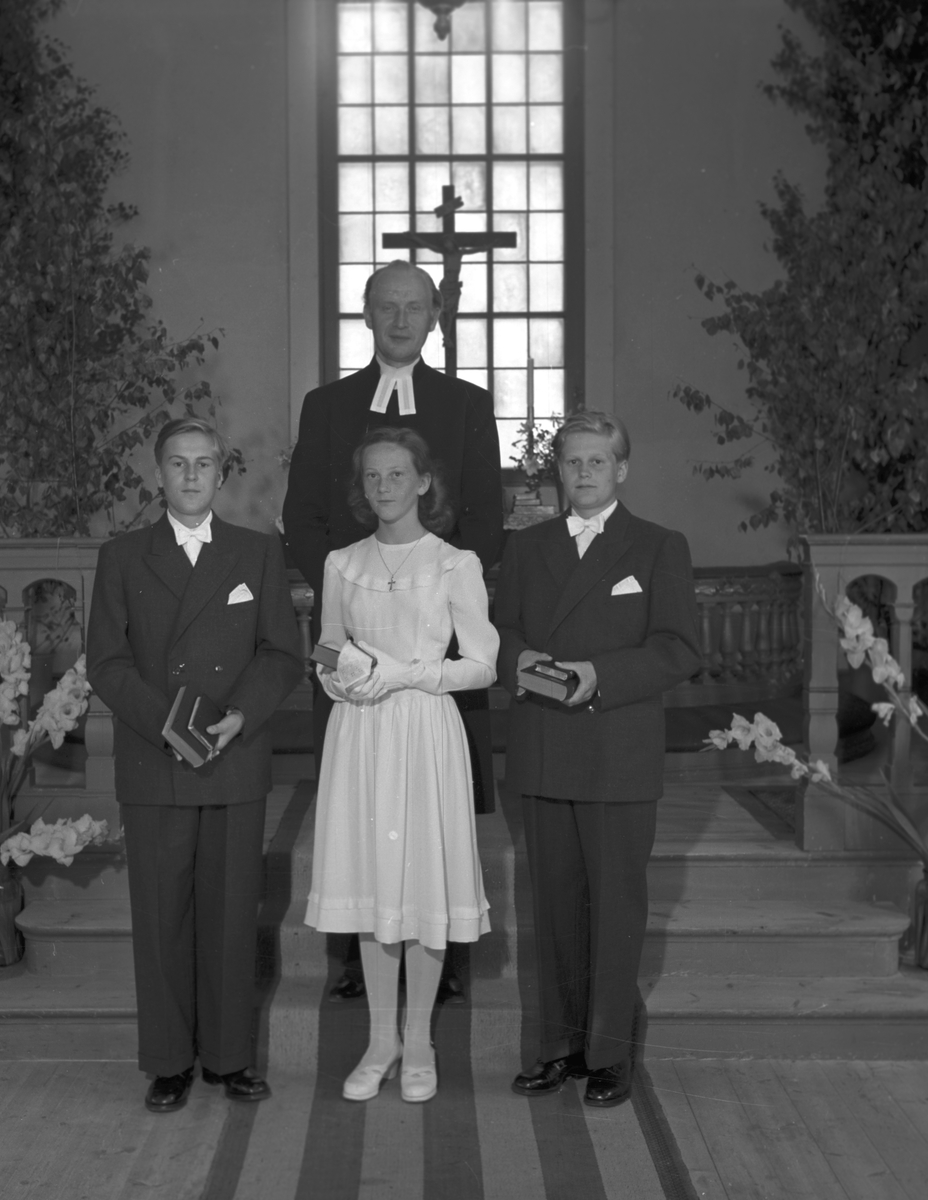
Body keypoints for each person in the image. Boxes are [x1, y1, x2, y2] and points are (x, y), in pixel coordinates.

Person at [283, 258, 503, 1001]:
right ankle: (355, 958)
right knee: (358, 799)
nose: (401, 319)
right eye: (387, 306)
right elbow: (302, 516)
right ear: (368, 315)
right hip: (354, 638)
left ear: (434, 317)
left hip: (434, 637)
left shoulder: (467, 404)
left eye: (414, 307)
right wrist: (352, 591)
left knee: (436, 802)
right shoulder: (326, 405)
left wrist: (432, 603)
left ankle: (446, 956)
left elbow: (485, 518)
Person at [87, 416, 304, 1114]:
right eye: (177, 463)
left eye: (203, 463)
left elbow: (281, 654)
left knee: (232, 914)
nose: (189, 475)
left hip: (232, 757)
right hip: (155, 761)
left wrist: (241, 714)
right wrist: (164, 724)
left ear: (220, 474)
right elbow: (106, 663)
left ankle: (229, 1058)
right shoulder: (123, 556)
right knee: (161, 919)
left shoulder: (256, 553)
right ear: (158, 474)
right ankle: (168, 1061)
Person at [494, 409, 700, 1108]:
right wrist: (520, 661)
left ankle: (609, 1053)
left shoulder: (658, 546)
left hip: (616, 749)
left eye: (596, 461)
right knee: (553, 908)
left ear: (621, 468)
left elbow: (678, 648)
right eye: (572, 461)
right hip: (545, 745)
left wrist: (599, 675)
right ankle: (556, 1047)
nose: (583, 473)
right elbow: (502, 631)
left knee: (614, 908)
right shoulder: (527, 547)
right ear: (558, 470)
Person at [303, 426, 498, 1103]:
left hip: (424, 730)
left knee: (422, 887)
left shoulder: (453, 563)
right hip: (360, 733)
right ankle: (379, 1041)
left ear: (423, 482)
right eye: (372, 476)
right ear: (361, 488)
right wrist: (341, 680)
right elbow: (327, 647)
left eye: (396, 474)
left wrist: (407, 674)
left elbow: (482, 665)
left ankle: (418, 1044)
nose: (384, 486)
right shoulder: (341, 563)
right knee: (373, 886)